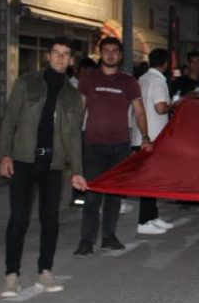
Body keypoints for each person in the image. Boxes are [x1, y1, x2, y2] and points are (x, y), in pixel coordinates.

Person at [0, 37, 84, 297]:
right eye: (56, 53)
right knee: (19, 219)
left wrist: (77, 170)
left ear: (70, 60)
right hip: (23, 160)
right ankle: (11, 276)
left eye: (65, 54)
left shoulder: (73, 96)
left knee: (50, 220)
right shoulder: (27, 83)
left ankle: (45, 272)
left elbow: (74, 136)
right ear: (48, 56)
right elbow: (10, 119)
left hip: (53, 164)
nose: (60, 58)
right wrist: (5, 154)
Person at [72, 37, 152, 257]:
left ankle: (109, 237)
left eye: (114, 51)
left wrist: (145, 137)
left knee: (114, 194)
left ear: (120, 54)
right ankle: (86, 240)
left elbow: (139, 111)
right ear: (100, 53)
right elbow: (79, 111)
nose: (110, 54)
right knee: (92, 196)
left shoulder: (129, 82)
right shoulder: (89, 79)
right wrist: (72, 141)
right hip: (93, 145)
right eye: (106, 50)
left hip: (120, 146)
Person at [132, 48, 175, 235]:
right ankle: (144, 221)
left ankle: (152, 216)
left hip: (141, 135)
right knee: (150, 180)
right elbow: (160, 108)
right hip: (153, 136)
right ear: (165, 63)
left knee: (151, 178)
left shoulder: (142, 79)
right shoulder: (158, 81)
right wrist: (175, 104)